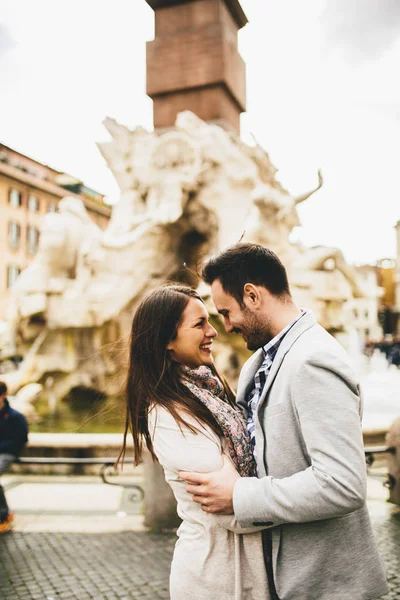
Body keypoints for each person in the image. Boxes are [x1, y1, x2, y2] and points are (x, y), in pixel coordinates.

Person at [179, 243, 388, 600]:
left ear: (252, 295)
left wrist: (239, 495)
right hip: (283, 579)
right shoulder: (257, 363)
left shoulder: (313, 359)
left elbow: (343, 484)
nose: (226, 326)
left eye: (227, 312)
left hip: (327, 586)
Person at [118, 284, 270, 600]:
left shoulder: (207, 391)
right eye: (199, 324)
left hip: (241, 572)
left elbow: (238, 490)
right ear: (167, 341)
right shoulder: (167, 414)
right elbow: (233, 512)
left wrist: (240, 482)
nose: (213, 331)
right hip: (215, 579)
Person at [0, 381, 28, 533]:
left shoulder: (15, 416)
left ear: (3, 396)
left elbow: (21, 439)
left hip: (6, 453)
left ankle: (3, 516)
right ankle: (5, 514)